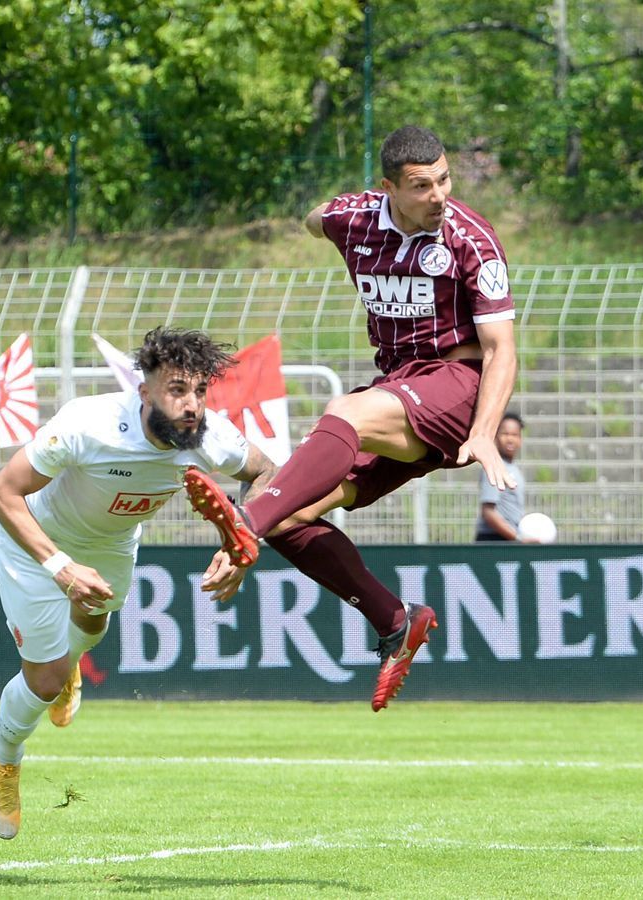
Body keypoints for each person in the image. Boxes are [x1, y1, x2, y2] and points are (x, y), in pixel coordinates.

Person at [184, 124, 519, 712]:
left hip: (455, 385)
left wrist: (486, 434)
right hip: (396, 389)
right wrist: (334, 213)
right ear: (388, 187)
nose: (439, 194)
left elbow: (501, 350)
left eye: (444, 179)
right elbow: (315, 218)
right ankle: (395, 619)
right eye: (421, 185)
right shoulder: (357, 220)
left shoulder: (472, 240)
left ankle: (244, 526)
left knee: (341, 416)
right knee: (291, 511)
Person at [0, 327, 277, 839]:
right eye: (176, 390)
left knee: (94, 622)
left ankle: (71, 664)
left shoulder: (209, 436)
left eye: (198, 391)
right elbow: (5, 492)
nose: (191, 405)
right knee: (43, 680)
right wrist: (60, 565)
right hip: (34, 542)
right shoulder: (90, 424)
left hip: (111, 545)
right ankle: (5, 762)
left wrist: (242, 542)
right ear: (144, 392)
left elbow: (268, 475)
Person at [475, 413, 534, 542]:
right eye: (505, 434)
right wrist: (518, 538)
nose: (510, 439)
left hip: (508, 539)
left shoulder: (513, 468)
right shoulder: (493, 466)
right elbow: (488, 512)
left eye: (514, 435)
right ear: (495, 436)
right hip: (493, 540)